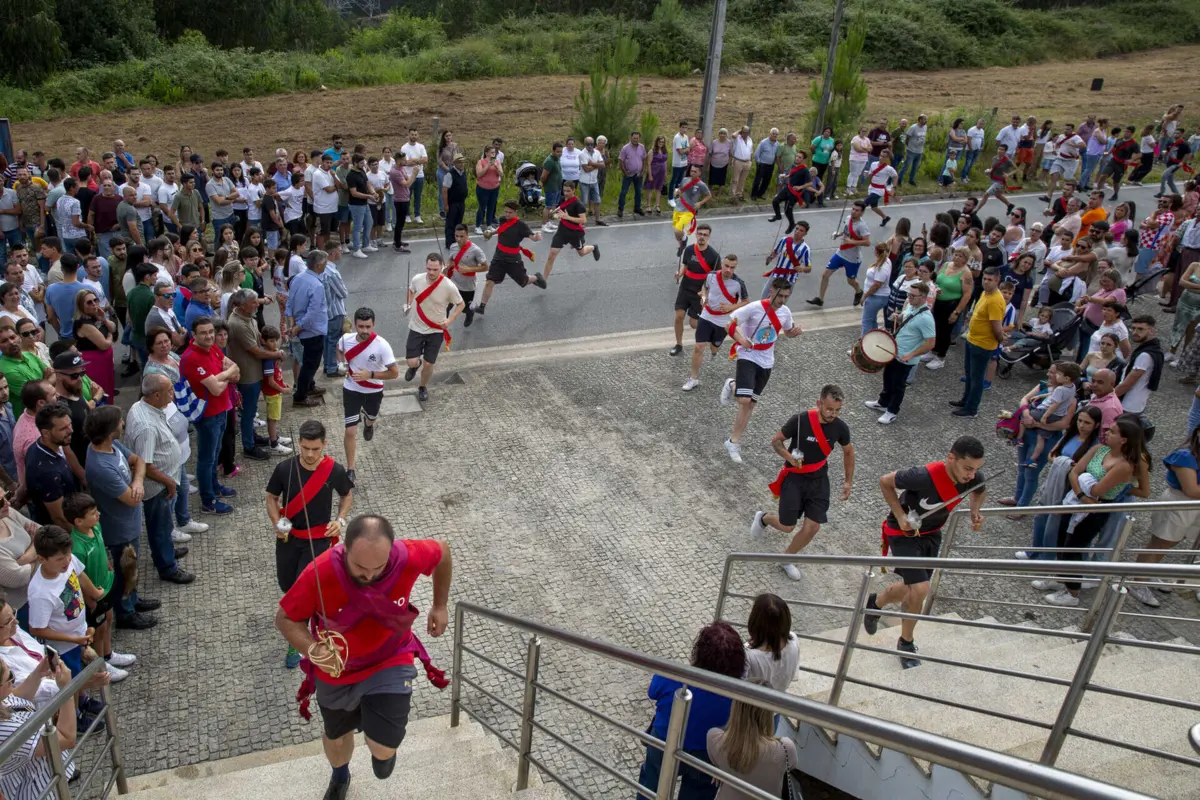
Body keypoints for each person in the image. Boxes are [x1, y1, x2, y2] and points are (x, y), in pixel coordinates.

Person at [275, 515, 451, 799]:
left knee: (383, 751)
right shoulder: (319, 572)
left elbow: (442, 551)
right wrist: (313, 649)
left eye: (378, 568)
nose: (369, 576)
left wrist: (440, 605)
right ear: (344, 548)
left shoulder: (407, 555)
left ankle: (377, 736)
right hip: (337, 669)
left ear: (391, 551)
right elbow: (285, 618)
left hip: (390, 658)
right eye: (360, 567)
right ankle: (340, 775)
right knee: (336, 739)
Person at [863, 436, 986, 668]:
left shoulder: (972, 477)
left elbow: (979, 490)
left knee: (912, 590)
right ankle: (906, 643)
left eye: (975, 469)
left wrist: (974, 511)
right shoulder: (921, 476)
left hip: (931, 534)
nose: (972, 475)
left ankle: (876, 604)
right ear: (951, 458)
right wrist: (900, 515)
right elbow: (885, 481)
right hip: (903, 533)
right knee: (920, 589)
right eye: (968, 468)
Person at [267, 419, 355, 670]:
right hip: (289, 538)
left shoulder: (334, 471)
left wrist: (340, 519)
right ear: (299, 444)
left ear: (324, 445)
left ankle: (297, 639)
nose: (309, 454)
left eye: (315, 449)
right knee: (287, 585)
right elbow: (271, 498)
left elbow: (346, 495)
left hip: (318, 540)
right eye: (305, 448)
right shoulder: (284, 469)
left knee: (302, 588)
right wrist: (277, 522)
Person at [1035, 418, 1143, 607]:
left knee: (1074, 547)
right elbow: (1074, 472)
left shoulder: (1125, 466)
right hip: (1077, 500)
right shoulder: (1099, 449)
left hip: (1095, 509)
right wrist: (1081, 493)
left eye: (1113, 432)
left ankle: (1072, 592)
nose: (1107, 433)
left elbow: (1097, 490)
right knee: (1061, 541)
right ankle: (1061, 577)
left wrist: (1083, 484)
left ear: (1124, 440)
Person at [750, 385, 853, 581]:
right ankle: (763, 518)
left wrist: (848, 481)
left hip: (819, 480)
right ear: (819, 404)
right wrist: (789, 457)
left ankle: (786, 558)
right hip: (794, 479)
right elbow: (776, 441)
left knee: (813, 527)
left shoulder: (840, 428)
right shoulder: (801, 420)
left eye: (837, 410)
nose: (833, 414)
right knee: (787, 526)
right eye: (829, 409)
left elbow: (848, 451)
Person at [636, 622, 745, 800]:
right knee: (699, 793)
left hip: (665, 740)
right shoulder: (739, 694)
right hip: (708, 752)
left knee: (651, 784)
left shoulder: (673, 675)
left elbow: (652, 691)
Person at [720, 278, 802, 463]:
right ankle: (732, 384)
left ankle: (733, 442)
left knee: (750, 404)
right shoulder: (754, 308)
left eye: (786, 296)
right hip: (748, 355)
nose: (782, 300)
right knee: (744, 399)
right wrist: (742, 340)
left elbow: (787, 331)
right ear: (771, 291)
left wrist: (793, 333)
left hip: (767, 361)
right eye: (780, 296)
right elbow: (729, 324)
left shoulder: (786, 312)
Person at [1124, 426, 1200, 607]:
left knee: (1173, 541)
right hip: (1179, 502)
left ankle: (1149, 572)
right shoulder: (1185, 457)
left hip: (1193, 505)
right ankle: (1137, 582)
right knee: (1159, 542)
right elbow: (1191, 490)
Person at [65, 492, 135, 681]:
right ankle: (101, 665)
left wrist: (109, 566)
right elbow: (79, 578)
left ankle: (108, 654)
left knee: (108, 620)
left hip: (106, 584)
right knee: (99, 629)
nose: (98, 515)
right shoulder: (77, 548)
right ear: (78, 521)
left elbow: (102, 549)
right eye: (93, 513)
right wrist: (90, 601)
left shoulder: (95, 527)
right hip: (93, 596)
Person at [181, 317, 240, 514]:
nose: (209, 336)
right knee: (206, 459)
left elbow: (236, 369)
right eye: (203, 333)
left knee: (215, 454)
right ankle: (208, 501)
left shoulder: (212, 348)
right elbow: (216, 389)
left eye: (210, 332)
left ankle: (214, 487)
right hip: (207, 416)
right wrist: (226, 376)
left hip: (222, 409)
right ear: (194, 335)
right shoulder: (192, 358)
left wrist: (219, 378)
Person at [27, 524, 102, 677]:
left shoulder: (67, 559)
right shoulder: (40, 593)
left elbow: (79, 574)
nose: (67, 561)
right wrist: (73, 639)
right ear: (41, 559)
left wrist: (95, 593)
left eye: (68, 554)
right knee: (74, 680)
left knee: (87, 671)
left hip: (80, 634)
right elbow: (36, 629)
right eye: (60, 559)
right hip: (65, 649)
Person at [706, 677, 797, 800]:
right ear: (769, 713)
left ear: (736, 707)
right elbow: (791, 765)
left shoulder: (714, 738)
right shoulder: (785, 748)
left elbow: (717, 762)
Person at [338, 308, 399, 485]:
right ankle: (351, 469)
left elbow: (394, 373)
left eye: (368, 326)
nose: (364, 330)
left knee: (371, 416)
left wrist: (370, 375)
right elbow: (339, 349)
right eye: (361, 326)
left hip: (373, 391)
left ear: (373, 324)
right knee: (350, 430)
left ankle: (369, 424)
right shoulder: (346, 339)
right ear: (355, 325)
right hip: (351, 389)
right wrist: (341, 364)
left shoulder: (382, 345)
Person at [866, 281, 936, 423]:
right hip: (894, 351)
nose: (909, 298)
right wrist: (898, 317)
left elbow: (930, 343)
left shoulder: (926, 318)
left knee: (898, 384)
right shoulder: (911, 305)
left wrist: (911, 354)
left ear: (923, 297)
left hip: (906, 357)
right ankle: (883, 402)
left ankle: (892, 411)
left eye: (913, 296)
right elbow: (906, 318)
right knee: (888, 378)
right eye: (909, 294)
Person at [683, 255, 748, 392]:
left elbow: (746, 301)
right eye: (726, 266)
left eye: (732, 267)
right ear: (722, 265)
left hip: (723, 321)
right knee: (699, 347)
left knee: (714, 347)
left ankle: (714, 351)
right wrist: (704, 297)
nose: (728, 270)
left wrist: (731, 307)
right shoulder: (711, 276)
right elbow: (705, 288)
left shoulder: (738, 283)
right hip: (707, 315)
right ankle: (693, 378)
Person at [405, 254, 464, 403]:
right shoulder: (417, 279)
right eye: (429, 269)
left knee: (429, 363)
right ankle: (415, 366)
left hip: (436, 330)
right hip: (416, 326)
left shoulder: (449, 286)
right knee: (411, 362)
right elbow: (411, 290)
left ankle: (422, 387)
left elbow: (461, 304)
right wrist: (409, 303)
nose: (431, 272)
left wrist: (449, 320)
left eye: (435, 269)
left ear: (441, 267)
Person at [951, 267, 1005, 418]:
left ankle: (971, 409)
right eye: (984, 279)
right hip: (972, 339)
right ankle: (965, 400)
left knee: (977, 378)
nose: (986, 282)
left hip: (983, 344)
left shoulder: (995, 300)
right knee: (970, 374)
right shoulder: (984, 293)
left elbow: (996, 326)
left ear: (997, 280)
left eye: (990, 280)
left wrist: (1001, 339)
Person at [473, 201, 543, 316]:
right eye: (505, 211)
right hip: (499, 257)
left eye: (510, 212)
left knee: (524, 281)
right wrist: (491, 233)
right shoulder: (502, 219)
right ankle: (482, 306)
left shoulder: (521, 225)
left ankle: (536, 278)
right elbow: (501, 228)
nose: (507, 214)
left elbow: (532, 237)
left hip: (513, 260)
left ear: (516, 212)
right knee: (490, 281)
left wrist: (536, 237)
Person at [287, 249, 329, 408]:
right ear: (319, 265)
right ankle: (300, 396)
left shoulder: (298, 278)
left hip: (302, 326)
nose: (326, 265)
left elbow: (290, 302)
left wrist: (292, 322)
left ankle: (310, 386)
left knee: (307, 360)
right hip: (312, 330)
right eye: (325, 263)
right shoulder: (317, 285)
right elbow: (313, 312)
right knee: (311, 363)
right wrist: (298, 327)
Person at [671, 224, 721, 356]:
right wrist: (679, 274)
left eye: (705, 235)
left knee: (694, 324)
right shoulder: (689, 250)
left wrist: (706, 294)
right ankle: (678, 344)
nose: (702, 237)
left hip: (699, 292)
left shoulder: (714, 256)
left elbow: (716, 279)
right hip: (685, 288)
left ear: (709, 237)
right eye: (700, 234)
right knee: (679, 317)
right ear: (696, 235)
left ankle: (712, 330)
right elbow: (685, 266)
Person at [537, 182, 599, 288]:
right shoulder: (562, 199)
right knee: (552, 255)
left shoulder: (578, 204)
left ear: (574, 190)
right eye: (564, 190)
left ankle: (594, 247)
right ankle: (543, 281)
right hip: (562, 231)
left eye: (568, 191)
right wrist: (554, 213)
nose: (566, 193)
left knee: (581, 252)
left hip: (574, 233)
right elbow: (560, 210)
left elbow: (583, 220)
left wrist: (567, 217)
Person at [808, 201, 869, 307]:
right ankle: (820, 299)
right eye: (853, 209)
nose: (853, 211)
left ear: (862, 213)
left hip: (852, 258)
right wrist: (838, 234)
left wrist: (851, 242)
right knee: (825, 275)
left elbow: (867, 242)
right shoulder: (848, 218)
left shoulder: (862, 226)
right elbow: (846, 231)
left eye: (857, 210)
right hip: (841, 253)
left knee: (851, 280)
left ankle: (859, 292)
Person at [1114, 315, 1163, 415]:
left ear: (1151, 330)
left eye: (1140, 329)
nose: (1135, 332)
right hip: (1136, 403)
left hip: (1128, 405)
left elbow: (1127, 384)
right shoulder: (1154, 350)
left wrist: (1106, 398)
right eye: (1133, 328)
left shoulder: (1145, 355)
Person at [0, 322, 52, 417]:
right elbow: (33, 396)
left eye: (12, 337)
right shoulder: (6, 370)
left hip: (48, 409)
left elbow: (54, 374)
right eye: (4, 341)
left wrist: (43, 383)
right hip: (32, 417)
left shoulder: (29, 355)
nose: (11, 342)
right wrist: (46, 379)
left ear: (19, 337)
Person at [444, 225, 487, 328]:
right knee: (446, 305)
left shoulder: (476, 250)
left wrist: (469, 269)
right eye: (456, 236)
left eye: (461, 236)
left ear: (467, 235)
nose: (458, 239)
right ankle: (442, 325)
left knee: (464, 308)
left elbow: (485, 267)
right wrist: (447, 265)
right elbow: (451, 260)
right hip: (453, 281)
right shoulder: (453, 246)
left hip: (468, 286)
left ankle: (469, 312)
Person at [761, 223, 810, 301]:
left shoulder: (805, 248)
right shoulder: (784, 240)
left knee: (780, 302)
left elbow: (809, 268)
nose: (797, 231)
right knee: (764, 299)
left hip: (789, 278)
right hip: (776, 275)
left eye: (801, 230)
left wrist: (802, 268)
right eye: (796, 229)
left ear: (805, 234)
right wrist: (770, 258)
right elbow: (775, 252)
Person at [671, 164, 711, 256]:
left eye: (695, 172)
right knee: (676, 233)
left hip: (688, 211)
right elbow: (680, 190)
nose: (692, 173)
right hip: (678, 208)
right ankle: (682, 243)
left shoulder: (701, 185)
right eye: (691, 171)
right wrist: (677, 192)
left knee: (678, 230)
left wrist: (700, 203)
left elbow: (709, 195)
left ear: (699, 173)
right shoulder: (685, 180)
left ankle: (684, 240)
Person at [440, 153, 469, 249]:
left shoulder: (463, 173)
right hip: (453, 203)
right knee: (450, 224)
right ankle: (449, 243)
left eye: (463, 162)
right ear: (455, 163)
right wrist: (446, 205)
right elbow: (444, 190)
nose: (462, 164)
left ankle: (457, 241)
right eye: (459, 162)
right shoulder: (450, 174)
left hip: (461, 202)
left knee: (458, 223)